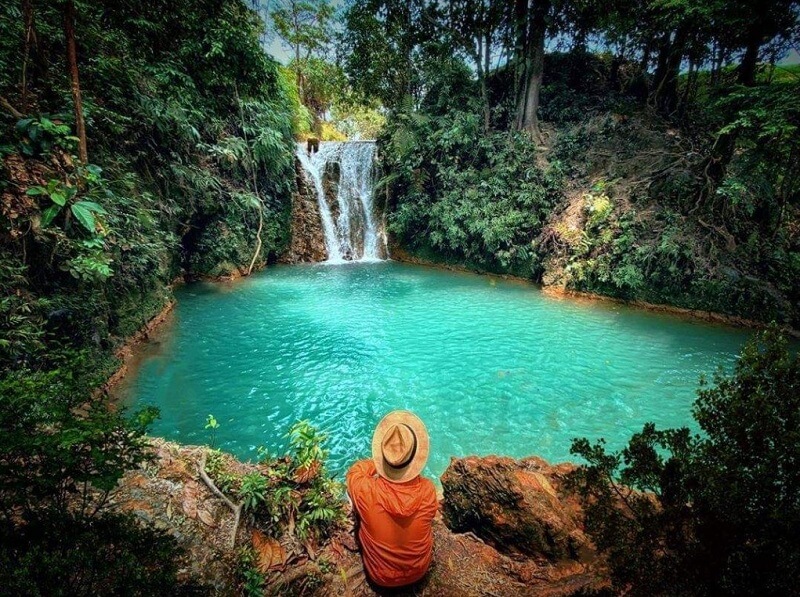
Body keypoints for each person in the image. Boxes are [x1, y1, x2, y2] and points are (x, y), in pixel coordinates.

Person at [346, 410, 438, 588]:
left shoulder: (366, 490)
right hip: (419, 572)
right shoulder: (428, 491)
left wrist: (382, 463)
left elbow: (354, 472)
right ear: (415, 455)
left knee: (357, 501)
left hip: (380, 577)